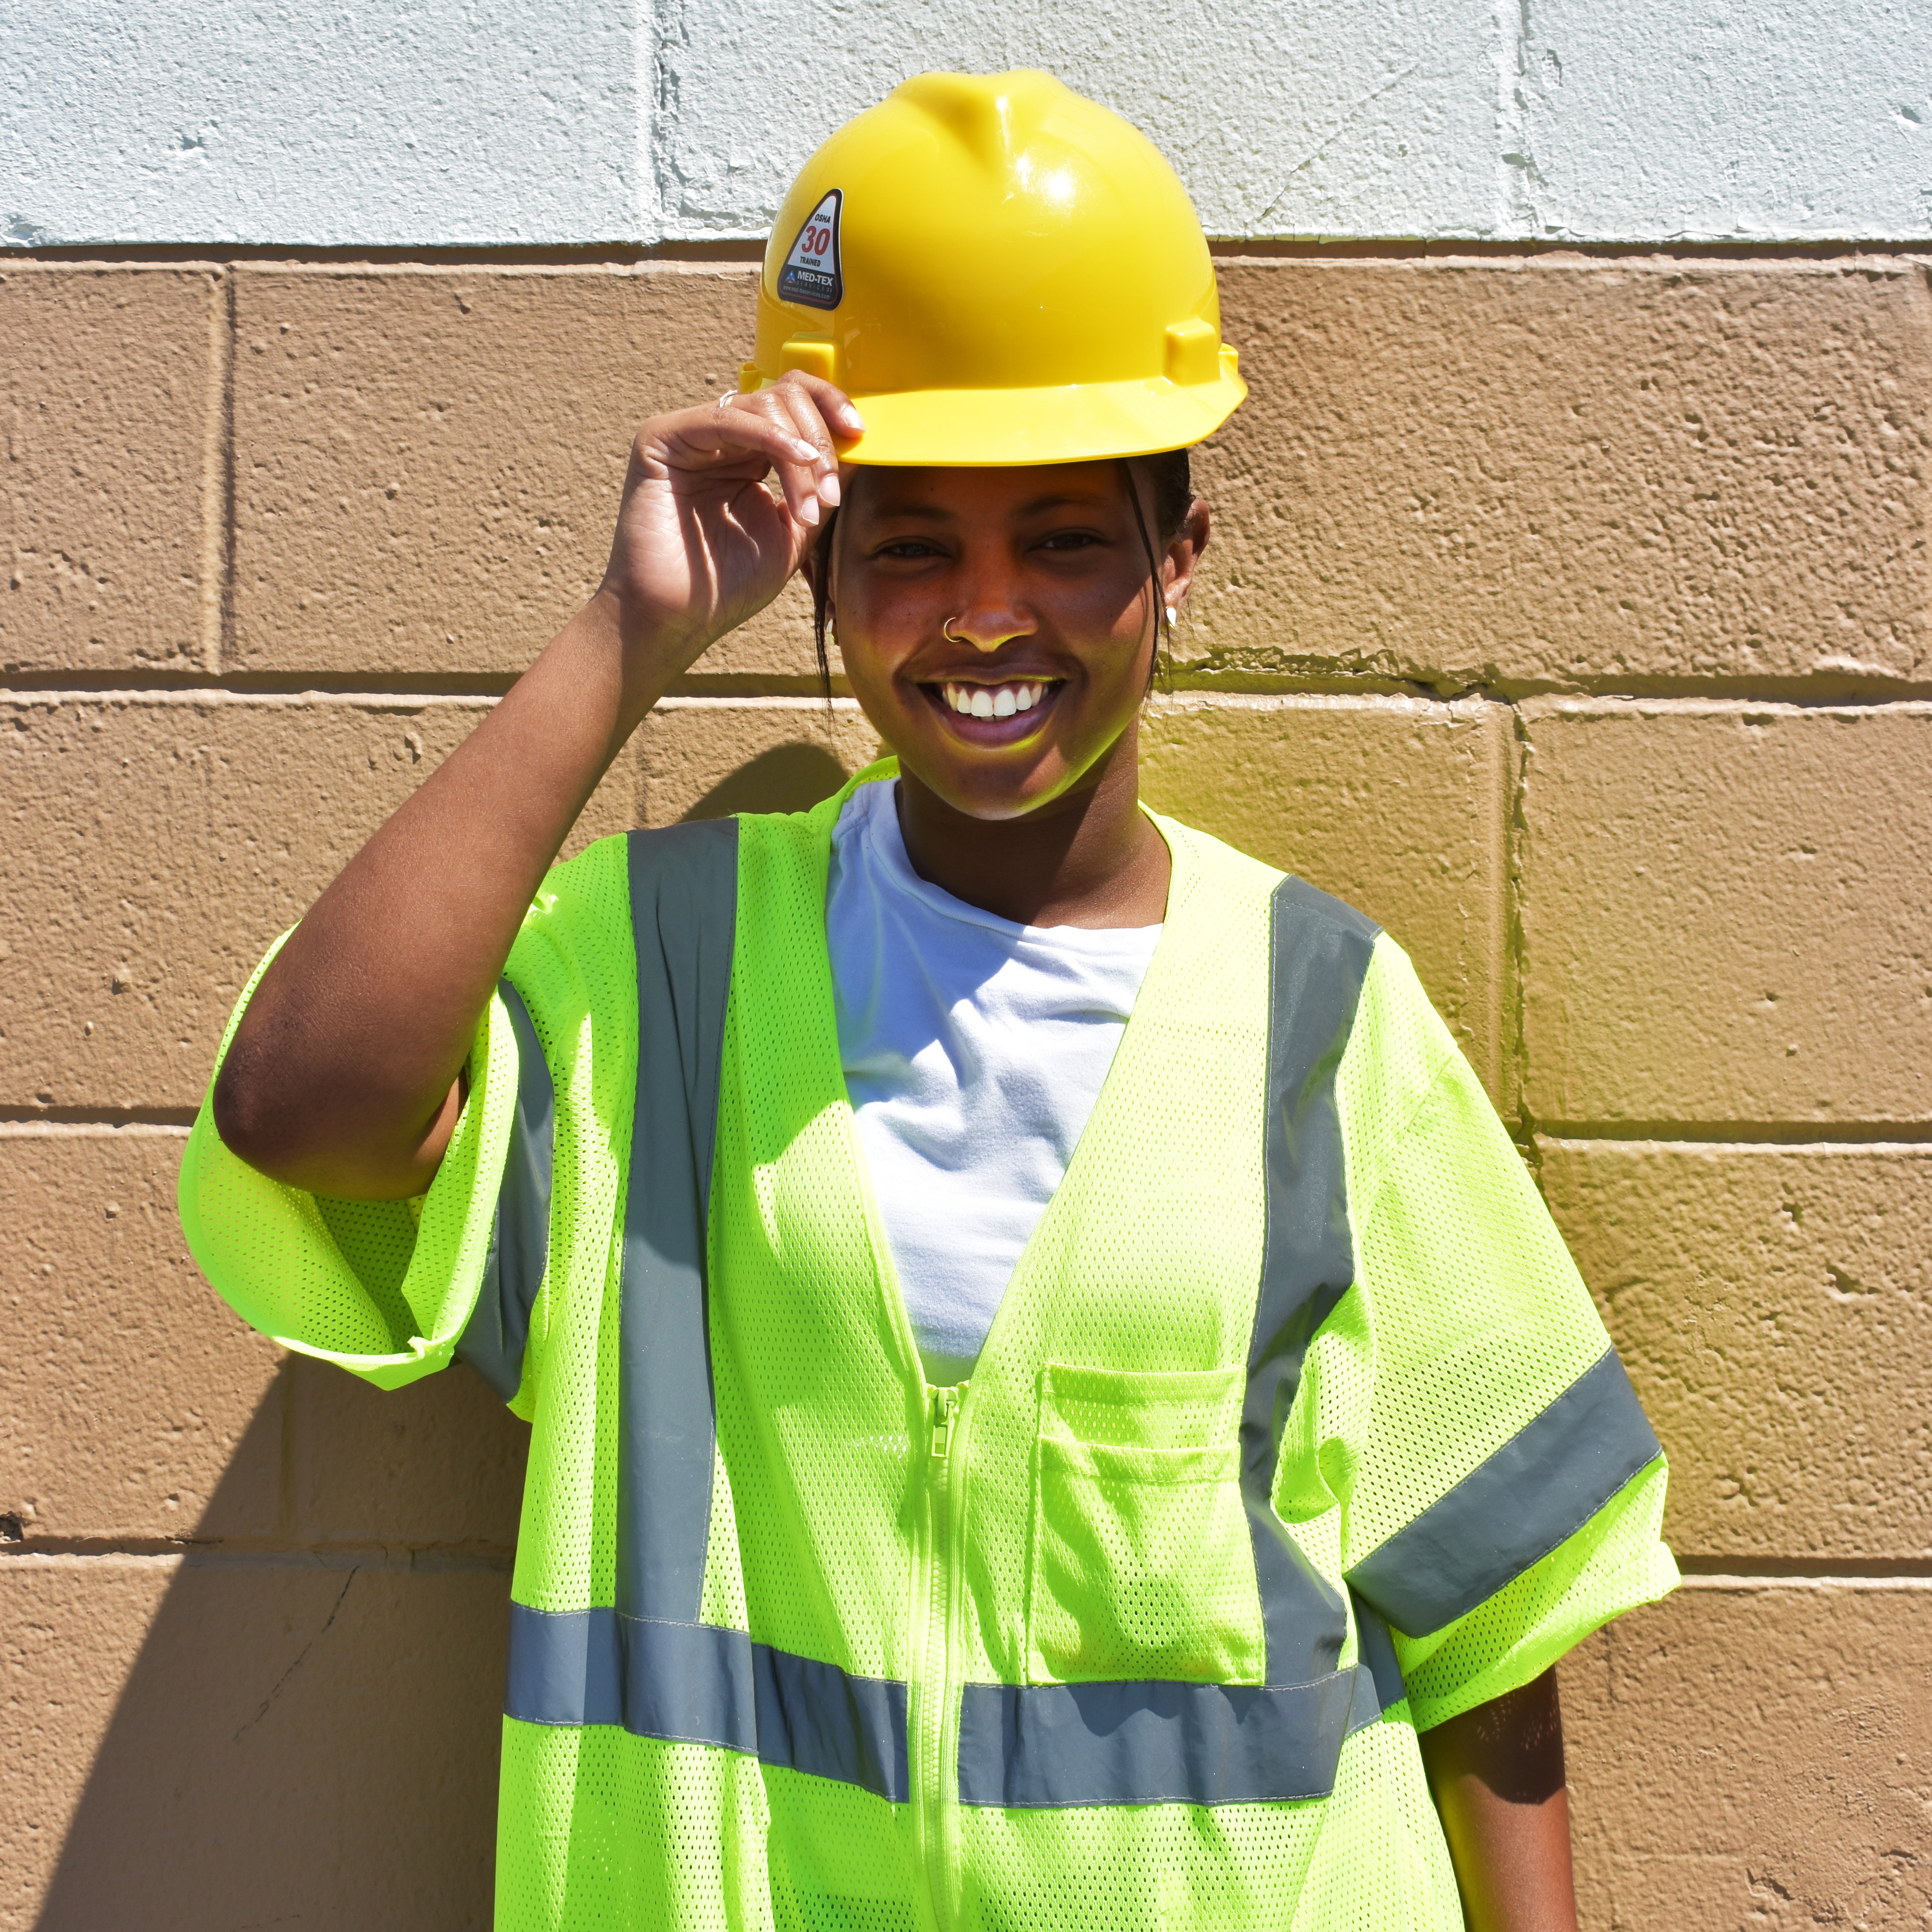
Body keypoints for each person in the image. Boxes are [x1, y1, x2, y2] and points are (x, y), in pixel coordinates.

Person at [180, 70, 1677, 1932]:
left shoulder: (1317, 1013)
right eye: (909, 546)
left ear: (1173, 562)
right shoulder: (668, 968)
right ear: (815, 573)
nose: (984, 616)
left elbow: (1485, 1608)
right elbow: (302, 1110)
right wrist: (628, 633)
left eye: (1063, 536)